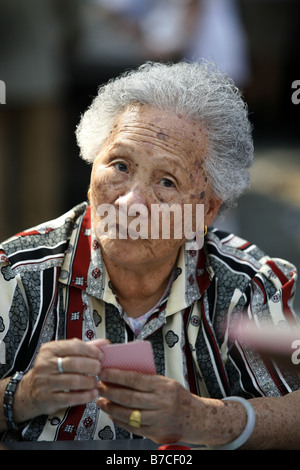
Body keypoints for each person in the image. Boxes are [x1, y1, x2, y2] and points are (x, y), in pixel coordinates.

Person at [0, 61, 299, 449]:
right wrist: (20, 396)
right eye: (120, 165)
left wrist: (207, 419)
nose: (129, 203)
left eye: (166, 181)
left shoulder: (251, 284)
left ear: (205, 210)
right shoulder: (17, 272)